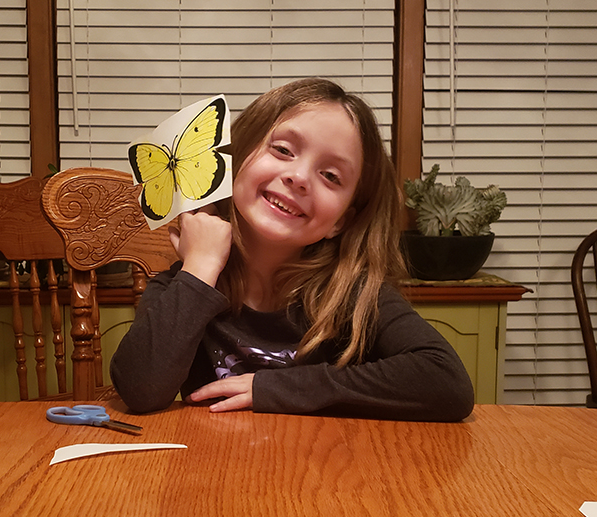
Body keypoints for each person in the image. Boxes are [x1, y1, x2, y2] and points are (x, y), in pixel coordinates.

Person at [111, 78, 475, 422]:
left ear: (341, 221)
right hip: (211, 471)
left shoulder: (354, 295)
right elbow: (140, 390)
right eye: (283, 150)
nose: (299, 177)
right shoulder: (183, 285)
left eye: (331, 176)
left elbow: (448, 382)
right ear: (233, 162)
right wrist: (201, 265)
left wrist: (275, 388)